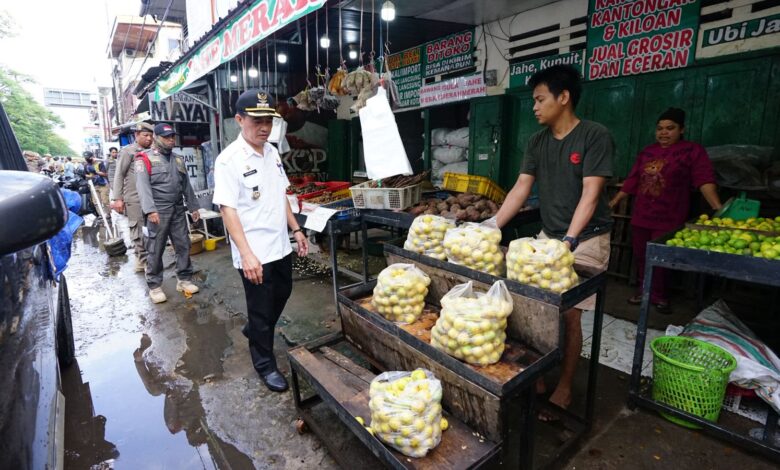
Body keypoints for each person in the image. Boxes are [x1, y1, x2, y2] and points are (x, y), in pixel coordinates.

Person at [494, 65, 614, 419]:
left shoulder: (594, 136)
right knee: (535, 308)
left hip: (588, 237)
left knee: (569, 314)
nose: (535, 107)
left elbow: (591, 195)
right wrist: (491, 227)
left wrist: (570, 241)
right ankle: (539, 374)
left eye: (540, 99)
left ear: (564, 98)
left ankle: (564, 385)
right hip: (549, 236)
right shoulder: (537, 141)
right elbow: (521, 188)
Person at [212, 89, 309, 392]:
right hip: (253, 251)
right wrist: (247, 254)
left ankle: (254, 330)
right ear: (239, 120)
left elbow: (281, 194)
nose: (264, 127)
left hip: (279, 244)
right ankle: (265, 365)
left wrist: (296, 229)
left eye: (268, 120)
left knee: (284, 290)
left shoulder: (272, 152)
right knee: (261, 309)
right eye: (257, 121)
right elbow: (227, 210)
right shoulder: (229, 160)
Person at [609, 108, 722, 312]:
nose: (664, 133)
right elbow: (633, 179)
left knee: (662, 258)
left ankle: (660, 296)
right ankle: (644, 292)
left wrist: (718, 208)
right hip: (642, 214)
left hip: (670, 215)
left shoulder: (692, 151)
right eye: (660, 128)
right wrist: (614, 201)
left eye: (670, 128)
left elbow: (704, 179)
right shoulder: (648, 152)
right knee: (642, 255)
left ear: (682, 130)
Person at [135, 123, 201, 304]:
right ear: (156, 138)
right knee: (155, 249)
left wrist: (194, 207)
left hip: (178, 209)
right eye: (166, 137)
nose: (171, 140)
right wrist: (150, 211)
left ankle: (184, 279)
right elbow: (143, 187)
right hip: (158, 211)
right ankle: (155, 286)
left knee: (183, 245)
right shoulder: (144, 159)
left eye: (172, 136)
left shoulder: (178, 160)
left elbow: (186, 186)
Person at [112, 123, 154, 272]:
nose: (149, 138)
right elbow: (119, 175)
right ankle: (143, 261)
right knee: (138, 230)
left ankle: (142, 259)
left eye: (151, 136)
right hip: (134, 197)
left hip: (149, 196)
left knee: (151, 230)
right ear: (137, 135)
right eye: (145, 135)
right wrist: (118, 198)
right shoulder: (128, 151)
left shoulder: (153, 152)